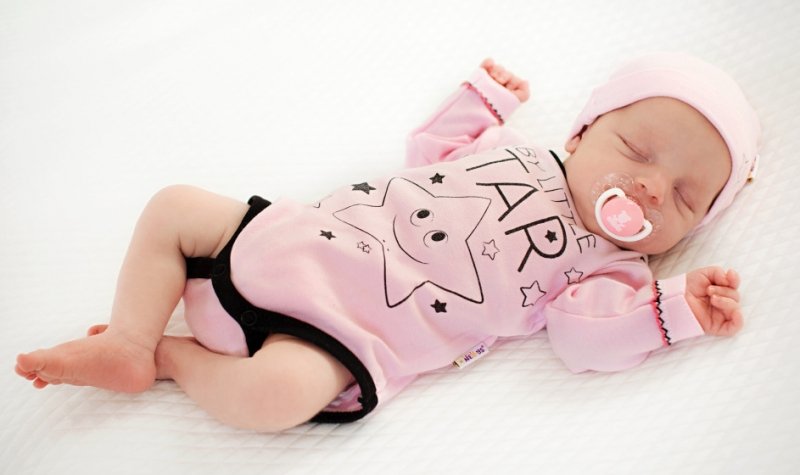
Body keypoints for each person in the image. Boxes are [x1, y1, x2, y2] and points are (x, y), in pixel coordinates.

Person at [15, 53, 761, 432]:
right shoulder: (515, 155)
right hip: (292, 240)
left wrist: (677, 309)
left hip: (339, 338)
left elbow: (583, 339)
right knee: (174, 205)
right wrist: (482, 100)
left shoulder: (610, 269)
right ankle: (128, 337)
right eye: (636, 150)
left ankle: (168, 358)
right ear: (582, 132)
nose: (650, 187)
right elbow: (430, 152)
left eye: (685, 196)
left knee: (275, 398)